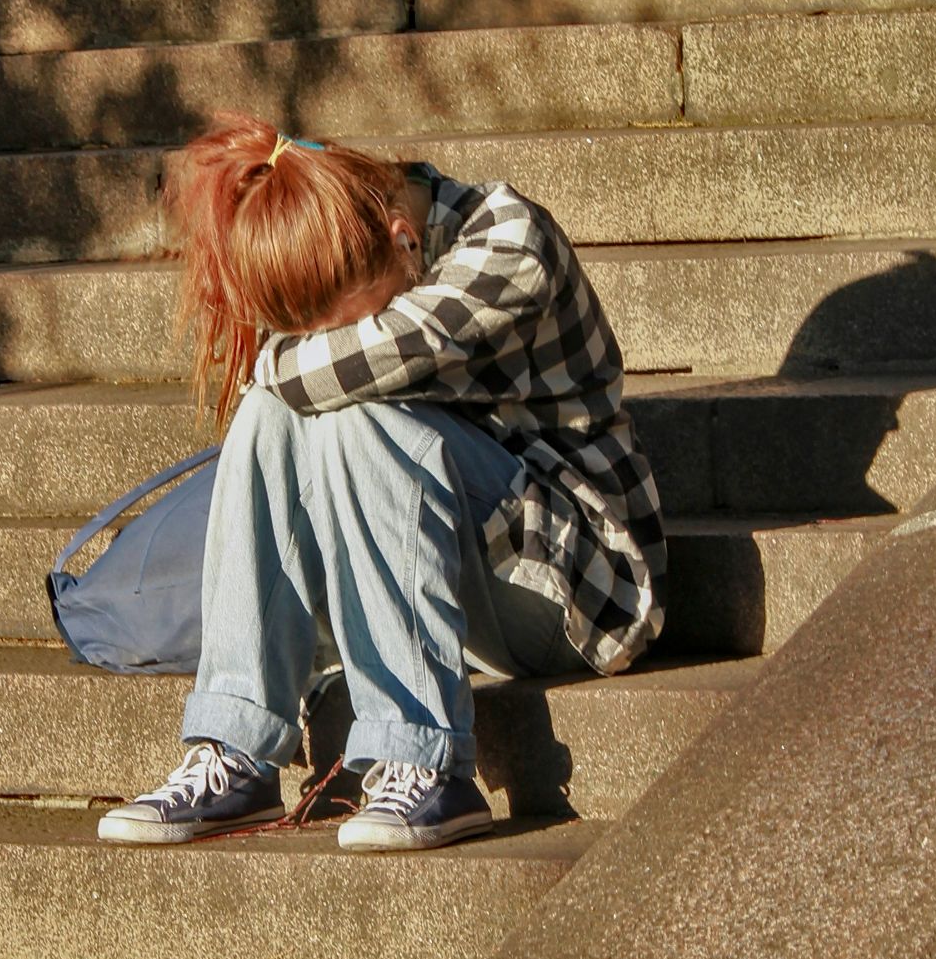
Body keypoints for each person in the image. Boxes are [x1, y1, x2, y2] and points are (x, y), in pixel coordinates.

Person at [96, 114, 666, 852]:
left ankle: (424, 763)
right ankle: (236, 745)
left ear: (403, 236)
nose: (333, 340)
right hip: (455, 582)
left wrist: (279, 363)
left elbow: (319, 371)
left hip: (579, 588)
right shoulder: (367, 246)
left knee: (344, 409)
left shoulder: (507, 242)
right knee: (283, 414)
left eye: (352, 320)